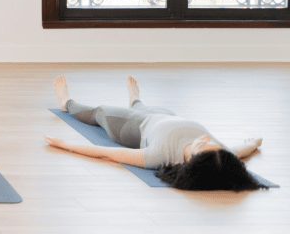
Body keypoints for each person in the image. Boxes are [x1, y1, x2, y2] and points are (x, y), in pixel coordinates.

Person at [44, 76, 266, 191]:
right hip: (166, 115)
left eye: (200, 144)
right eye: (213, 144)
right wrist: (253, 144)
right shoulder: (219, 155)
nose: (206, 139)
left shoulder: (160, 155)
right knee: (143, 107)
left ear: (191, 161)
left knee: (99, 112)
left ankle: (66, 102)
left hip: (133, 126)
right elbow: (237, 151)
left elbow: (108, 153)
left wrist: (65, 145)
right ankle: (135, 99)